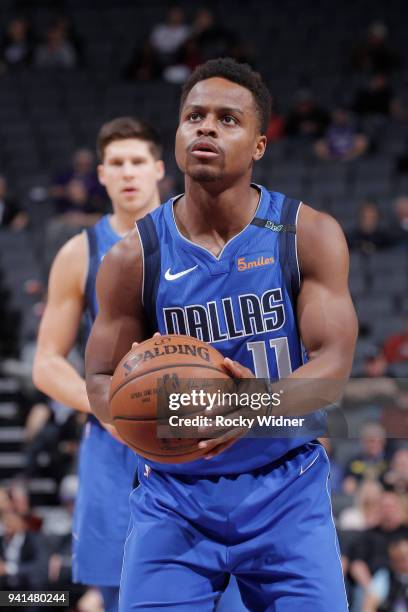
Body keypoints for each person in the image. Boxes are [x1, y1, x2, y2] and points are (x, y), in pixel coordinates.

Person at [85, 58, 357, 610]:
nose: (206, 127)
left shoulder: (307, 234)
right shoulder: (133, 257)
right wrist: (139, 417)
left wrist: (247, 409)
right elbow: (97, 377)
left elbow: (332, 369)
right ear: (179, 133)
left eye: (227, 119)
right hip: (174, 496)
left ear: (259, 145)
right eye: (194, 116)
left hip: (285, 488)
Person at [33, 117, 165, 612]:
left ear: (157, 170)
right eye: (117, 163)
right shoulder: (78, 252)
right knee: (120, 594)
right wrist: (105, 408)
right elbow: (46, 362)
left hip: (189, 430)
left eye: (137, 162)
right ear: (102, 175)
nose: (128, 172)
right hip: (114, 441)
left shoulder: (200, 240)